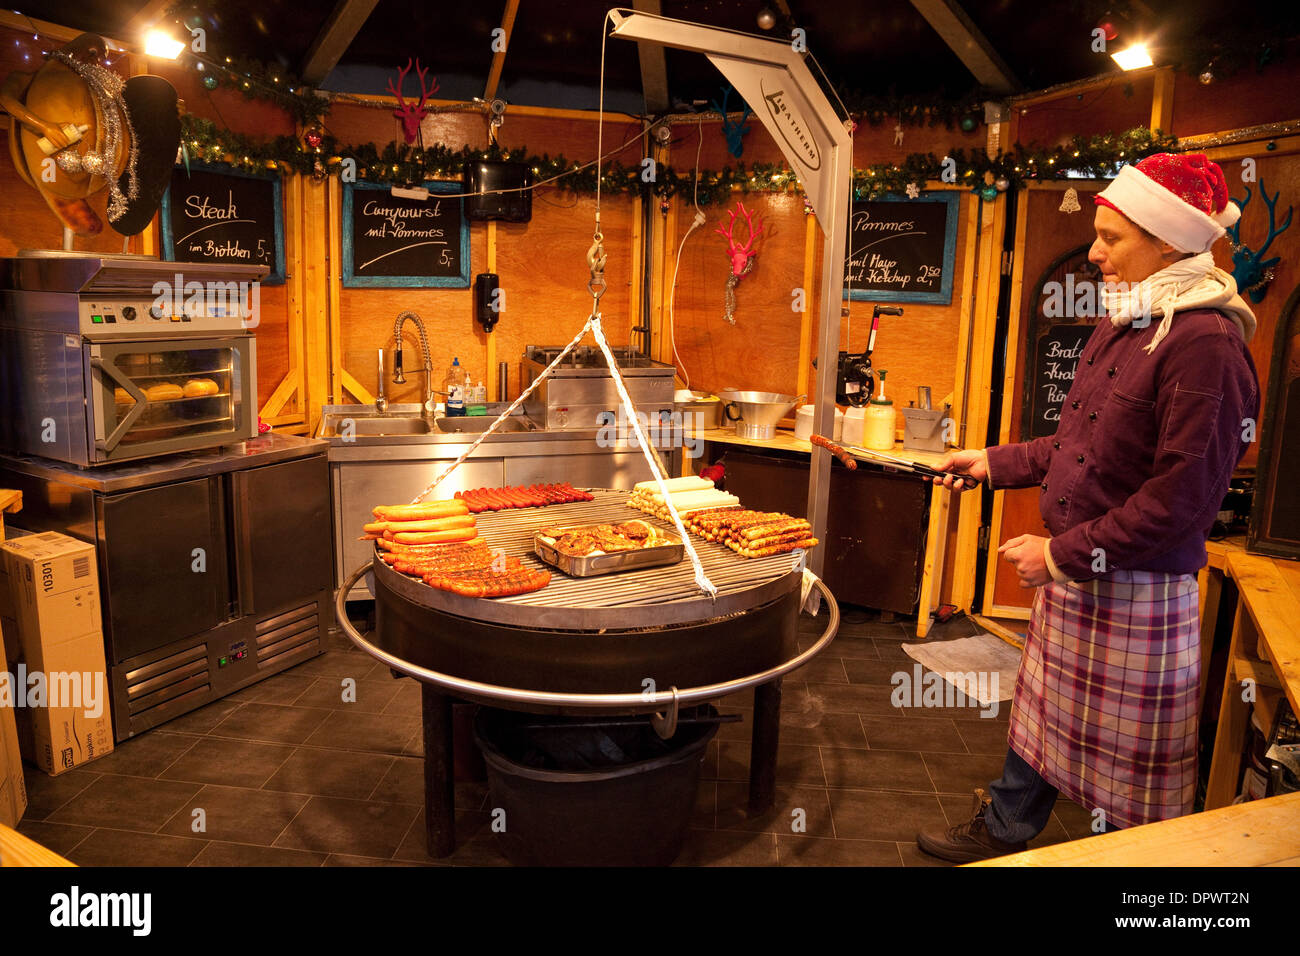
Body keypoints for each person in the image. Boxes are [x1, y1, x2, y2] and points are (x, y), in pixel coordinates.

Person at [916, 153, 1260, 862]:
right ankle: (1007, 828)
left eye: (1112, 238)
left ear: (1168, 242)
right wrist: (993, 463)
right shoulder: (1129, 319)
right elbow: (1082, 440)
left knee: (1139, 773)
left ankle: (1143, 871)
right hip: (1082, 582)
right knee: (1041, 721)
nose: (1096, 254)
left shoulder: (1208, 345)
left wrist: (1057, 555)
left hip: (1138, 591)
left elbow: (1181, 502)